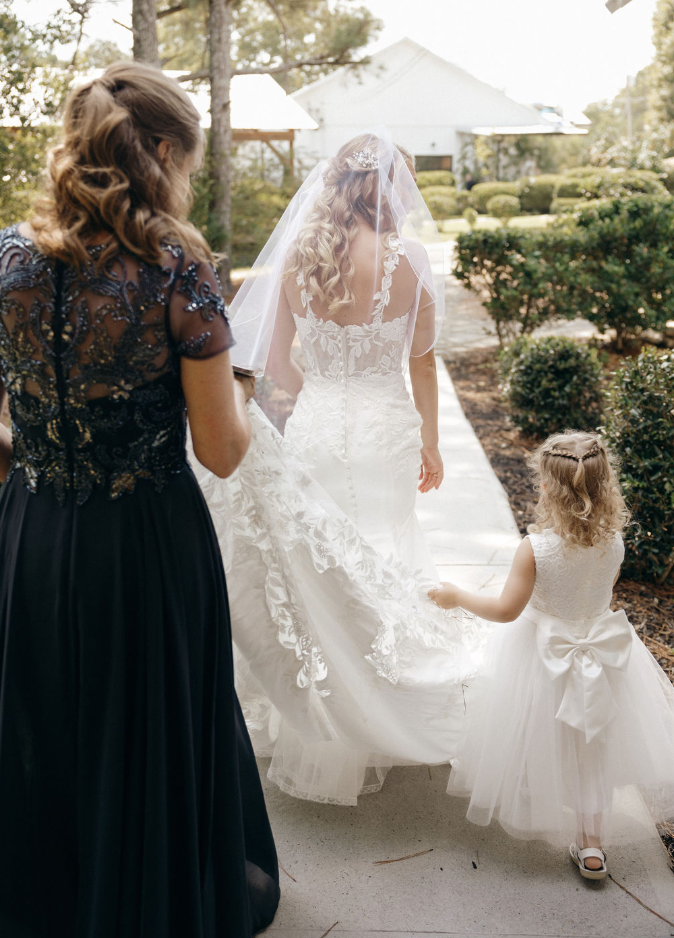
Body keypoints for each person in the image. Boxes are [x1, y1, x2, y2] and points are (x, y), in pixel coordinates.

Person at [0, 62, 279, 937]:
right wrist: (244, 394)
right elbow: (221, 452)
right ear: (160, 152)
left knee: (44, 719)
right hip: (146, 544)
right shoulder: (177, 272)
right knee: (141, 729)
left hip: (33, 535)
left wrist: (47, 460)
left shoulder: (7, 259)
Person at [194, 130, 482, 805]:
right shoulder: (408, 259)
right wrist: (431, 442)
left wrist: (321, 382)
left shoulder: (299, 257)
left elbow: (281, 366)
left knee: (322, 567)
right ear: (387, 188)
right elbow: (420, 361)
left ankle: (322, 715)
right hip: (385, 430)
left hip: (319, 429)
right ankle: (392, 708)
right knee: (386, 554)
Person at [430, 431, 674, 880]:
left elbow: (506, 610)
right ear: (606, 488)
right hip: (602, 656)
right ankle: (592, 845)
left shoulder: (536, 549)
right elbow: (597, 593)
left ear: (547, 489)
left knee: (533, 730)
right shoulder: (614, 543)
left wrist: (458, 596)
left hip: (543, 658)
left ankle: (533, 793)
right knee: (590, 747)